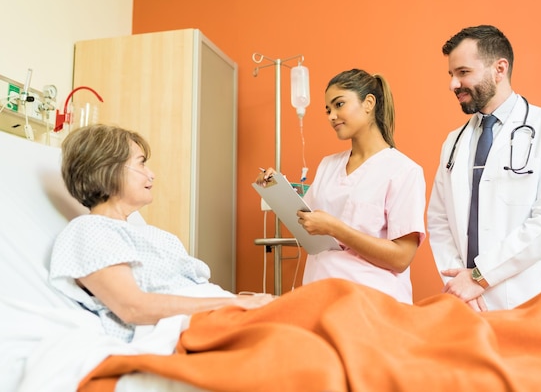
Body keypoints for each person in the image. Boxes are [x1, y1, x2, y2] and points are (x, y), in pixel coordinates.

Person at [49, 124, 273, 342]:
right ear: (108, 170)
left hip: (219, 316)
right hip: (184, 330)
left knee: (303, 306)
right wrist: (232, 304)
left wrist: (245, 302)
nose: (152, 174)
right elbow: (133, 307)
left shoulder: (157, 236)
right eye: (141, 164)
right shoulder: (90, 231)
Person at [427, 25, 541, 311]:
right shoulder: (453, 142)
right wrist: (460, 283)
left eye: (463, 72)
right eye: (451, 75)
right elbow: (439, 219)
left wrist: (480, 277)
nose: (453, 84)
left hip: (532, 299)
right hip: (469, 303)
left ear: (499, 68)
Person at [258, 68, 426, 304]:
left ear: (368, 103)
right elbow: (308, 221)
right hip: (319, 295)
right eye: (327, 110)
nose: (331, 116)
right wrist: (278, 189)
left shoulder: (403, 171)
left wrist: (335, 228)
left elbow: (400, 258)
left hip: (371, 303)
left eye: (339, 105)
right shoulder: (329, 165)